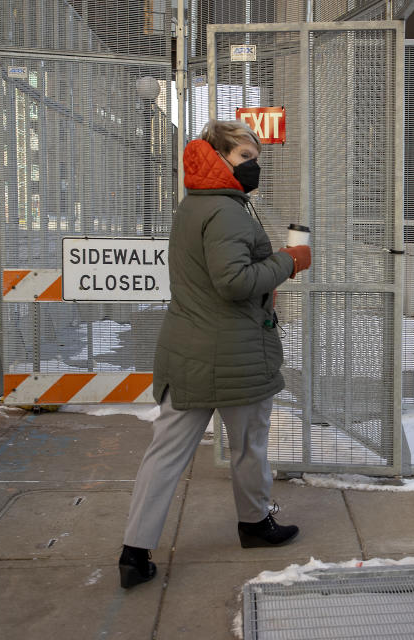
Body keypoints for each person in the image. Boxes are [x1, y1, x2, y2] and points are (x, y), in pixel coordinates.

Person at [118, 119, 312, 589]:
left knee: (165, 453)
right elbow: (234, 283)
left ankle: (134, 552)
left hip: (187, 350)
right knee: (249, 447)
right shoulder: (226, 212)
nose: (255, 166)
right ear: (219, 157)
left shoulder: (195, 206)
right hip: (234, 352)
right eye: (246, 157)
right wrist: (290, 262)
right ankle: (255, 524)